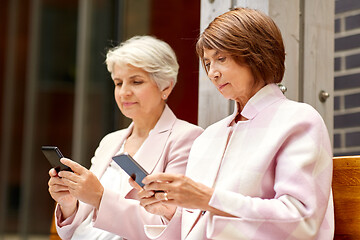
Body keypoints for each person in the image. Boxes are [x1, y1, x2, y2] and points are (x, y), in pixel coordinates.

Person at [137, 8, 334, 239]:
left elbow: (301, 219)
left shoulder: (299, 120)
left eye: (221, 59)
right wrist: (169, 210)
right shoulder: (208, 136)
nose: (213, 73)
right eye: (208, 63)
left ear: (257, 55)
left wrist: (208, 199)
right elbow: (202, 221)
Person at [47, 35, 203, 240]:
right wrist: (69, 203)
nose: (124, 92)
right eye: (118, 83)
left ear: (166, 87)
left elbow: (171, 226)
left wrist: (100, 197)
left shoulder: (187, 138)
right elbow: (81, 221)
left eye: (136, 82)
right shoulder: (111, 141)